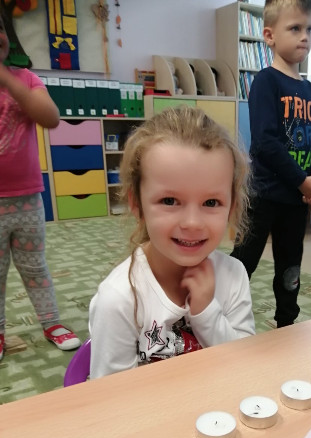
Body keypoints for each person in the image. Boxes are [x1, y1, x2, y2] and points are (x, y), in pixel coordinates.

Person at [89, 106, 255, 379]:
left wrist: (206, 312)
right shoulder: (118, 299)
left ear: (231, 206)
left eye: (211, 202)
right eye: (169, 201)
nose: (192, 222)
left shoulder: (233, 274)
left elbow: (244, 366)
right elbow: (113, 397)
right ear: (137, 204)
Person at [231, 0, 311, 328]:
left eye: (309, 29)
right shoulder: (266, 82)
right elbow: (265, 143)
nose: (305, 36)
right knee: (243, 262)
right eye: (295, 28)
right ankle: (217, 315)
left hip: (295, 200)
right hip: (263, 194)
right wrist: (302, 180)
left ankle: (287, 324)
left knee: (290, 266)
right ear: (270, 36)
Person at [0, 11, 80, 361]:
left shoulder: (27, 80)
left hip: (27, 200)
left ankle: (51, 322)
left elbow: (51, 117)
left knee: (35, 267)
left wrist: (7, 79)